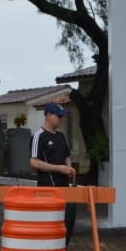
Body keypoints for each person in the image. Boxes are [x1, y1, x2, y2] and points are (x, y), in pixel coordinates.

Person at [30, 102, 76, 242]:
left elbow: (67, 155)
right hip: (47, 189)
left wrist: (69, 168)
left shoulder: (61, 136)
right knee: (49, 225)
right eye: (58, 116)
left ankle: (62, 248)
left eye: (62, 117)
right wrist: (58, 168)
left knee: (66, 222)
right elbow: (33, 162)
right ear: (49, 116)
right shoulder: (39, 136)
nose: (61, 119)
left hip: (64, 188)